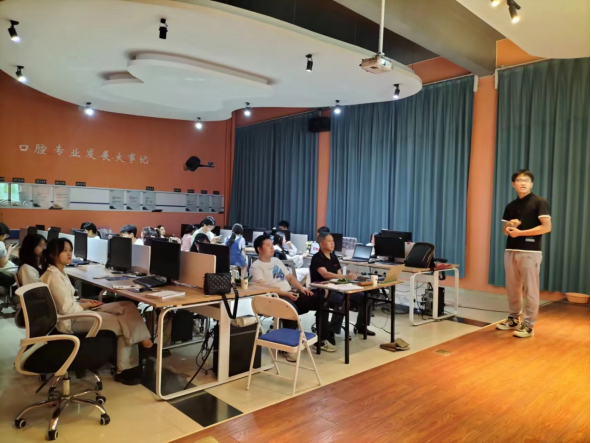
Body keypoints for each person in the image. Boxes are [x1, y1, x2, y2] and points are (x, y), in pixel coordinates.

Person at [41, 238, 153, 385]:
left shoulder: (59, 272)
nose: (69, 254)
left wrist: (84, 301)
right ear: (52, 254)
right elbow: (67, 309)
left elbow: (68, 300)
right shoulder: (53, 276)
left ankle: (144, 341)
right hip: (72, 319)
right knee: (125, 323)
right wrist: (87, 305)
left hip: (78, 308)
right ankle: (127, 368)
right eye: (64, 250)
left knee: (127, 306)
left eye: (70, 250)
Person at [250, 235, 325, 361]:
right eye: (268, 245)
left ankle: (323, 339)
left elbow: (290, 277)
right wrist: (286, 294)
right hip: (272, 298)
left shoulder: (276, 261)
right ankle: (288, 347)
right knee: (290, 308)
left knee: (319, 299)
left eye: (271, 245)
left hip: (289, 293)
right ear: (259, 249)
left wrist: (302, 289)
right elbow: (264, 288)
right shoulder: (256, 266)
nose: (272, 247)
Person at [497, 169, 552, 339]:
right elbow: (504, 230)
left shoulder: (539, 202)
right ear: (513, 184)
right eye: (519, 180)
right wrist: (510, 226)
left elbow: (546, 227)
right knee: (512, 287)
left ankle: (528, 325)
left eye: (526, 180)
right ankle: (514, 318)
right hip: (511, 250)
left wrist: (521, 233)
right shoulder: (511, 206)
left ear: (531, 184)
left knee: (531, 289)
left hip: (530, 251)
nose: (523, 183)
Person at [310, 232, 375, 346]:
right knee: (344, 300)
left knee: (366, 297)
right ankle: (331, 330)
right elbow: (325, 274)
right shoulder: (317, 258)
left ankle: (361, 325)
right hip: (324, 290)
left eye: (333, 241)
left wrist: (349, 281)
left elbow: (339, 275)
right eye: (329, 241)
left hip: (339, 287)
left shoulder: (334, 256)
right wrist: (344, 276)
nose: (332, 243)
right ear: (321, 243)